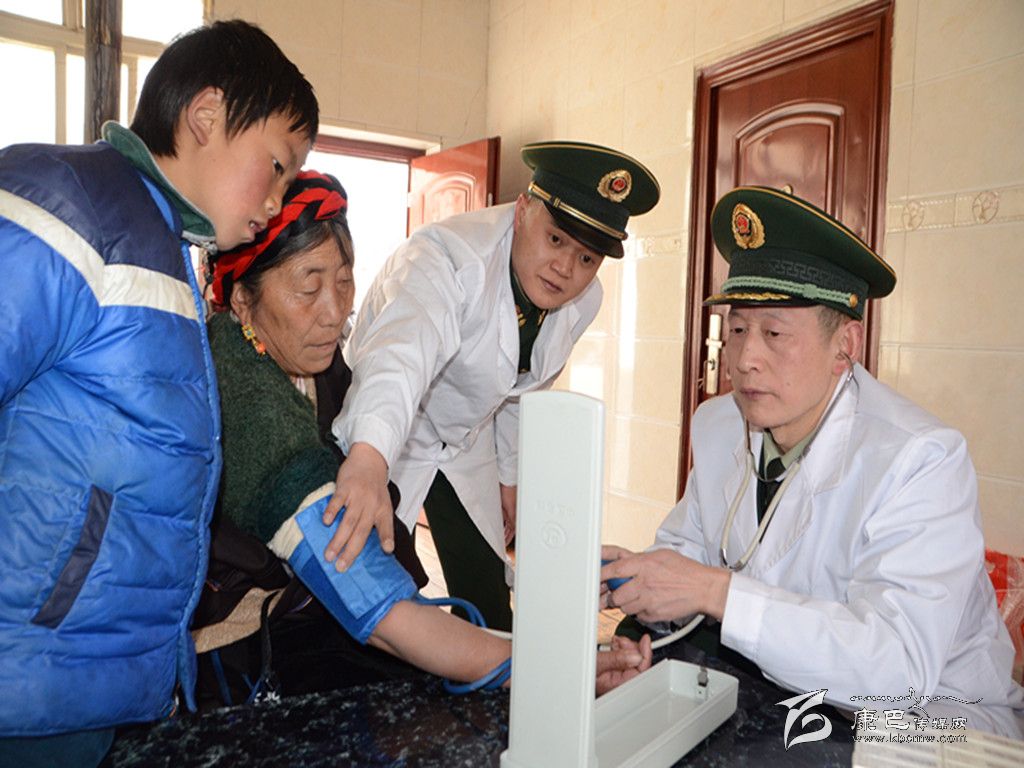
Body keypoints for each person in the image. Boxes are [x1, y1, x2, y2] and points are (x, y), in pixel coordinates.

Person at [200, 170, 652, 702]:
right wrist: (556, 669)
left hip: (454, 449)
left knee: (462, 607)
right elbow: (381, 609)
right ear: (242, 299)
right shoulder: (254, 402)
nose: (336, 314)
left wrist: (509, 479)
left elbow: (518, 392)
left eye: (344, 283)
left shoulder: (307, 361)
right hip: (245, 650)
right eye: (308, 287)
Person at [0, 20, 317, 767]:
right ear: (206, 116)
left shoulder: (166, 248)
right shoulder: (70, 203)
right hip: (30, 680)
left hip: (90, 681)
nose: (277, 199)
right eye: (277, 165)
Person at [600, 186, 1024, 737]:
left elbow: (896, 674)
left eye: (774, 333)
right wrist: (641, 594)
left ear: (845, 344)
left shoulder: (920, 459)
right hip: (787, 697)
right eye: (737, 329)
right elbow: (689, 551)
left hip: (924, 727)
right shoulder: (719, 423)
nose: (745, 359)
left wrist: (715, 592)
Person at [324, 141, 661, 630]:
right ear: (523, 211)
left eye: (588, 258)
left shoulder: (582, 301)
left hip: (466, 441)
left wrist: (509, 477)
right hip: (392, 431)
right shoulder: (445, 258)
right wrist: (368, 459)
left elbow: (521, 391)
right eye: (556, 239)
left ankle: (486, 675)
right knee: (373, 594)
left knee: (487, 602)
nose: (566, 269)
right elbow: (399, 359)